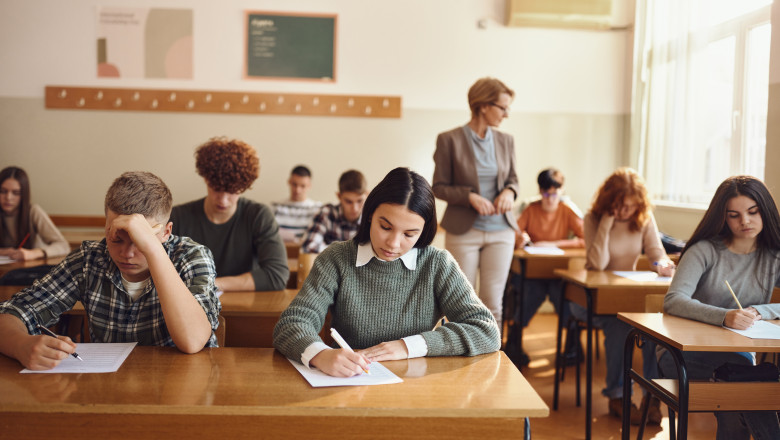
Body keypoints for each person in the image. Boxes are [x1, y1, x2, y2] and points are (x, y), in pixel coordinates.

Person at [273, 167, 500, 377]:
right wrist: (320, 355)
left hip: (417, 386)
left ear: (423, 232)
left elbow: (486, 330)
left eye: (409, 234)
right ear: (370, 215)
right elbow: (292, 324)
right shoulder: (336, 259)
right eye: (385, 227)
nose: (393, 243)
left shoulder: (437, 264)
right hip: (350, 381)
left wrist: (407, 346)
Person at [0, 171, 221, 370]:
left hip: (179, 383)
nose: (127, 253)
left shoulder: (191, 256)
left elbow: (192, 341)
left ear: (166, 232)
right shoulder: (89, 259)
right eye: (116, 239)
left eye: (139, 241)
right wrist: (21, 345)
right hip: (109, 387)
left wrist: (153, 249)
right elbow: (12, 312)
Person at [663, 175, 780, 439]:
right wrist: (724, 316)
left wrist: (762, 310)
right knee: (746, 381)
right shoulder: (704, 251)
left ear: (765, 211)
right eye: (734, 215)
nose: (745, 221)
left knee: (742, 379)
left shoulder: (773, 256)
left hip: (739, 356)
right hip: (683, 352)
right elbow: (674, 300)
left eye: (753, 212)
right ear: (723, 218)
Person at [577, 167, 675, 424]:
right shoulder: (593, 219)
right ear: (608, 201)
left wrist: (662, 265)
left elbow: (656, 253)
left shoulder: (643, 218)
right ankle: (618, 396)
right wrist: (606, 224)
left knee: (653, 332)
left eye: (630, 206)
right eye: (619, 206)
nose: (625, 212)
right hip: (597, 298)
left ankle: (652, 397)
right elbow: (597, 264)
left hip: (628, 295)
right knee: (619, 327)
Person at [432, 77, 519, 329]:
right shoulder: (449, 139)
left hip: (501, 232)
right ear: (483, 106)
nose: (506, 114)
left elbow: (513, 180)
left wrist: (509, 192)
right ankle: (460, 353)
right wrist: (469, 197)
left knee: (493, 305)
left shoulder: (506, 141)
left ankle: (493, 353)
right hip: (463, 232)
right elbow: (439, 186)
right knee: (460, 305)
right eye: (502, 108)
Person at [170, 137, 289, 292]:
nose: (223, 200)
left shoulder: (258, 216)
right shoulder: (178, 217)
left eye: (232, 192)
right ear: (206, 180)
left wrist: (209, 284)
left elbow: (277, 275)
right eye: (216, 189)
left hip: (241, 304)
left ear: (244, 187)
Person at [507, 168, 585, 366]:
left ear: (561, 191)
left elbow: (586, 239)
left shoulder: (567, 210)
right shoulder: (530, 209)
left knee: (564, 296)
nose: (550, 199)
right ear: (540, 191)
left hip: (559, 274)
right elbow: (514, 234)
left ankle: (573, 346)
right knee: (530, 294)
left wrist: (553, 244)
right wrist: (521, 238)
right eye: (545, 194)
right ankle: (514, 343)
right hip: (533, 274)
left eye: (554, 193)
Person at [0, 166, 69, 261]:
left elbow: (63, 246)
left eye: (16, 193)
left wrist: (33, 253)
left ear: (23, 194)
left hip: (32, 266)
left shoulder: (33, 211)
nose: (8, 197)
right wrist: (4, 252)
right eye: (3, 191)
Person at [300, 169, 367, 254]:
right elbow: (309, 247)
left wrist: (330, 251)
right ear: (339, 196)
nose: (355, 208)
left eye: (359, 201)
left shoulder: (371, 217)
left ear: (366, 195)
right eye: (348, 202)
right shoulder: (326, 213)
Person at [272, 165, 323, 243]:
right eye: (294, 184)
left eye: (303, 186)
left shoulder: (318, 209)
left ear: (309, 186)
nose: (297, 190)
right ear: (289, 182)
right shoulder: (275, 207)